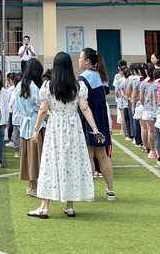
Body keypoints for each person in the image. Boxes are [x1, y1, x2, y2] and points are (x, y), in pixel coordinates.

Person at [29, 52, 105, 219]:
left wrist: (36, 130)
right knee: (72, 163)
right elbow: (85, 108)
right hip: (73, 127)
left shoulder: (48, 86)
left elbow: (43, 110)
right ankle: (70, 206)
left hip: (55, 127)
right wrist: (95, 128)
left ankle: (44, 207)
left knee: (51, 162)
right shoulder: (78, 86)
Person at [15, 58, 44, 196]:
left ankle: (30, 185)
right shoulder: (35, 88)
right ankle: (35, 186)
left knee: (28, 155)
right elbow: (40, 107)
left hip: (24, 124)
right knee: (36, 155)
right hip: (35, 124)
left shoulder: (19, 86)